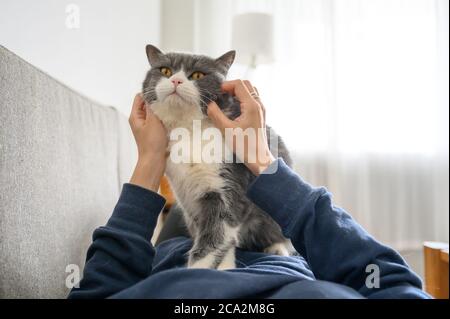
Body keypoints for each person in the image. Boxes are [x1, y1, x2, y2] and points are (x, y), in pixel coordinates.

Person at [68, 80, 429, 299]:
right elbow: (388, 277)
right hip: (282, 265)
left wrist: (150, 161)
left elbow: (97, 292)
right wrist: (262, 161)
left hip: (180, 258)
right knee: (220, 193)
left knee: (201, 201)